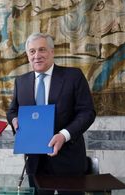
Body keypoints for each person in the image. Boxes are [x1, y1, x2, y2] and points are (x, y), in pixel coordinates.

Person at [6, 33, 96, 195]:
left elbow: (87, 112)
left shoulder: (73, 76)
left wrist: (63, 135)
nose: (37, 56)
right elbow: (12, 110)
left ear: (52, 52)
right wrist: (14, 120)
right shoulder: (21, 81)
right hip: (35, 162)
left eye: (42, 50)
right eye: (32, 51)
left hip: (68, 159)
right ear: (27, 55)